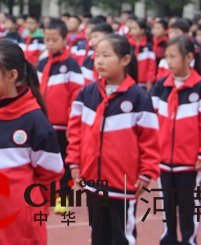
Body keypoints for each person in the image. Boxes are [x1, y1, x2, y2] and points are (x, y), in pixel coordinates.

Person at [0, 41, 63, 245]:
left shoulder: (33, 120)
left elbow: (50, 175)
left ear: (12, 75)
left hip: (17, 228)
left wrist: (30, 211)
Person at [66, 34, 160, 245]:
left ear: (125, 60)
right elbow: (75, 133)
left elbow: (150, 140)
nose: (99, 61)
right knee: (98, 236)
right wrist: (74, 161)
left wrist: (147, 172)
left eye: (106, 55)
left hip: (123, 182)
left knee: (122, 237)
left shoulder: (138, 98)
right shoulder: (86, 94)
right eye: (97, 55)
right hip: (93, 180)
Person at [151, 35, 201, 244]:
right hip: (164, 160)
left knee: (188, 204)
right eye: (166, 57)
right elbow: (152, 122)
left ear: (189, 57)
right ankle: (168, 236)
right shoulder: (161, 86)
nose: (168, 61)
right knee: (167, 203)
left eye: (173, 56)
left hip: (189, 162)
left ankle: (188, 238)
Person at [37, 18, 84, 214]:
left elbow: (76, 97)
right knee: (45, 161)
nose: (50, 44)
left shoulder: (72, 65)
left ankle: (63, 198)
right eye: (47, 40)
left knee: (65, 163)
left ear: (65, 39)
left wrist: (71, 123)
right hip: (44, 122)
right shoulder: (42, 62)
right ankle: (47, 195)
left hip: (63, 126)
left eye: (54, 40)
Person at [127, 17, 156, 91]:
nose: (132, 31)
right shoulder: (128, 44)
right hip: (129, 81)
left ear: (142, 30)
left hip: (143, 83)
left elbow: (151, 66)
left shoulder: (148, 46)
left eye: (135, 28)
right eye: (131, 28)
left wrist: (150, 81)